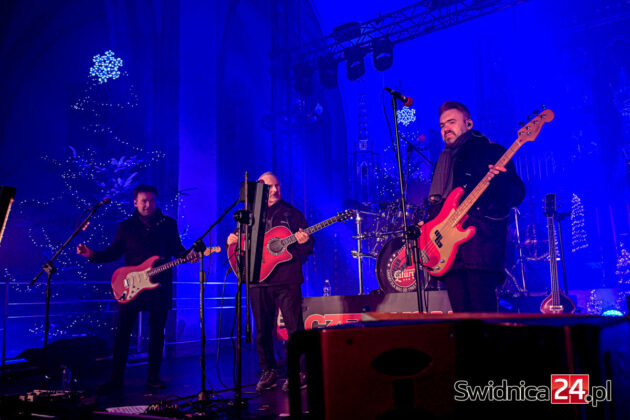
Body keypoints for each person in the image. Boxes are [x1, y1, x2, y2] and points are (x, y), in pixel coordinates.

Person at [77, 185, 193, 393]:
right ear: (135, 202)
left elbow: (177, 249)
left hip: (159, 285)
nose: (147, 205)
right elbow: (113, 252)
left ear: (156, 201)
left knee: (157, 334)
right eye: (143, 201)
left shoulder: (168, 224)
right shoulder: (126, 226)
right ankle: (116, 379)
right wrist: (92, 254)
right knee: (123, 333)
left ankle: (153, 378)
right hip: (130, 284)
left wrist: (187, 255)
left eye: (151, 200)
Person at [425, 101, 525, 312]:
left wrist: (501, 181)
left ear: (468, 124)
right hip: (451, 256)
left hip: (480, 250)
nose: (445, 128)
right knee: (462, 322)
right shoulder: (444, 161)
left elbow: (516, 194)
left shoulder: (490, 151)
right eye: (442, 125)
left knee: (483, 320)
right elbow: (438, 206)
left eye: (451, 122)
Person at [227, 172, 313, 392]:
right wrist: (231, 240)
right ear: (260, 189)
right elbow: (239, 242)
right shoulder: (249, 213)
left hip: (287, 279)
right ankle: (268, 371)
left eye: (277, 186)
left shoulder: (292, 213)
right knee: (262, 328)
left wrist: (304, 241)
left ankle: (300, 371)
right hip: (257, 277)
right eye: (270, 187)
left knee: (294, 327)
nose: (275, 190)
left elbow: (308, 248)